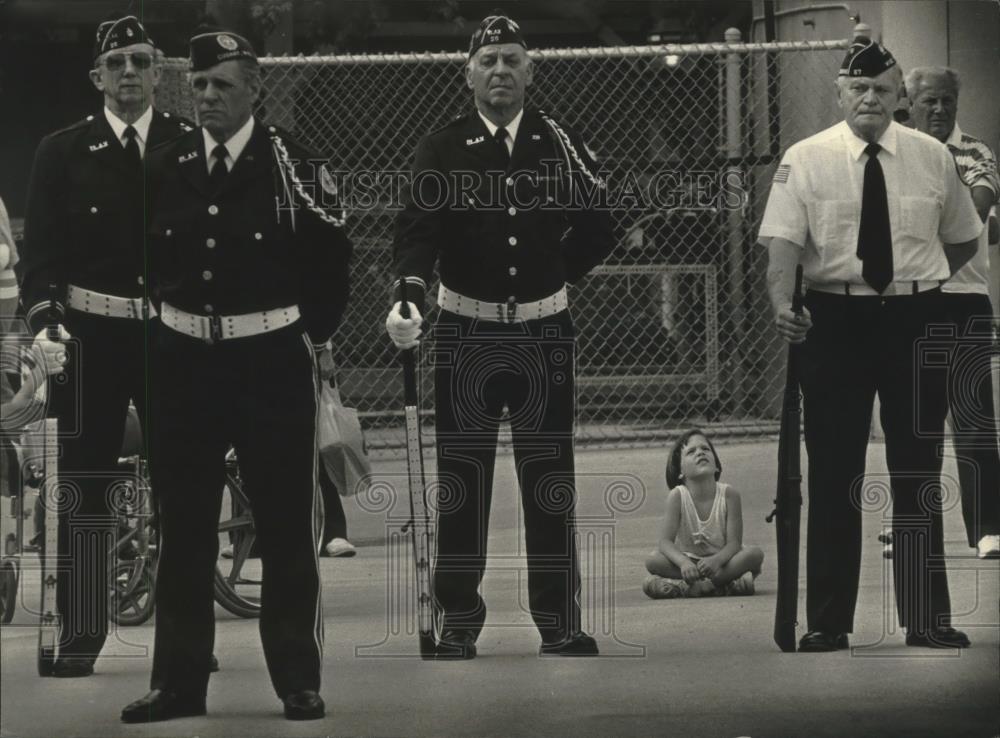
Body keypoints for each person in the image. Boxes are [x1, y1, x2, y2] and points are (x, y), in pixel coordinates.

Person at [120, 28, 352, 723]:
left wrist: (302, 337)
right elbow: (145, 262)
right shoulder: (166, 165)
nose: (209, 96)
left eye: (223, 84)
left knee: (284, 525)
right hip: (185, 364)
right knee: (184, 526)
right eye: (199, 85)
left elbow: (331, 261)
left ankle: (296, 680)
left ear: (255, 87)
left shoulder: (291, 164)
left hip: (269, 363)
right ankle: (179, 683)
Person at [386, 13, 614, 658]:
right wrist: (408, 291)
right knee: (463, 479)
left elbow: (601, 220)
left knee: (548, 478)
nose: (501, 71)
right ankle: (458, 617)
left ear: (530, 72)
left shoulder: (557, 143)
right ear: (469, 74)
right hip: (467, 333)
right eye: (488, 61)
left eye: (513, 60)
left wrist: (556, 274)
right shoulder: (442, 147)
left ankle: (558, 619)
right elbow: (417, 230)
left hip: (544, 333)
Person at [759, 38, 983, 652]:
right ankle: (829, 620)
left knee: (917, 466)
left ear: (899, 97)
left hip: (916, 318)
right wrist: (784, 305)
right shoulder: (805, 159)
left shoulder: (932, 157)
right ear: (838, 93)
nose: (870, 99)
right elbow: (781, 243)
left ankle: (926, 617)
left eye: (882, 89)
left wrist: (924, 280)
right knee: (834, 470)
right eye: (858, 89)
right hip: (835, 320)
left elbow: (962, 238)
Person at [19, 16, 193, 678]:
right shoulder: (62, 152)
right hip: (89, 339)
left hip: (171, 337)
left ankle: (183, 637)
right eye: (116, 61)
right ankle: (83, 631)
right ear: (98, 75)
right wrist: (45, 324)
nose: (128, 72)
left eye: (141, 61)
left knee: (186, 483)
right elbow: (41, 259)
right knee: (86, 486)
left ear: (159, 71)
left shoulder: (186, 146)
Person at [906, 66, 1000, 560]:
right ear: (912, 104)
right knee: (914, 418)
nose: (939, 110)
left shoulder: (976, 151)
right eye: (930, 103)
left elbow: (978, 212)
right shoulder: (896, 150)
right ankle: (911, 524)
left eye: (947, 102)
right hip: (909, 299)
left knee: (972, 414)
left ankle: (989, 526)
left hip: (962, 298)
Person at [643, 429, 763, 599]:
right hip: (689, 562)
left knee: (755, 554)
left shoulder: (730, 495)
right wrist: (684, 563)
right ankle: (726, 585)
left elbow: (734, 543)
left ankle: (692, 587)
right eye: (691, 452)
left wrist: (717, 560)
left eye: (705, 449)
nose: (700, 452)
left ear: (717, 465)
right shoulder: (677, 496)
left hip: (723, 562)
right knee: (653, 560)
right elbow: (665, 543)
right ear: (680, 471)